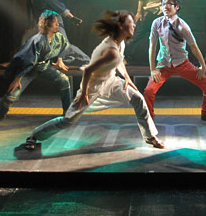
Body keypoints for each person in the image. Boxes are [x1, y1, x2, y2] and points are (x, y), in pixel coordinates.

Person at [23, 10, 164, 150]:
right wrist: (84, 93)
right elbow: (88, 70)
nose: (134, 25)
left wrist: (127, 78)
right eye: (131, 22)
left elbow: (119, 61)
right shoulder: (109, 49)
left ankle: (150, 136)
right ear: (121, 26)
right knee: (68, 120)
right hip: (93, 85)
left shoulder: (120, 43)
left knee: (138, 99)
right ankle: (34, 136)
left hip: (111, 81)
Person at [143, 0, 206, 123]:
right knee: (148, 91)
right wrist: (153, 69)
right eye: (163, 4)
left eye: (169, 4)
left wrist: (203, 66)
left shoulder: (183, 26)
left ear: (177, 7)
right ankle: (149, 119)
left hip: (182, 64)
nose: (165, 6)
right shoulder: (157, 23)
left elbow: (194, 47)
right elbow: (152, 46)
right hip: (163, 65)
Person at [0, 10, 72, 122]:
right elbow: (27, 61)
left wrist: (59, 60)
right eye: (54, 22)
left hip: (45, 67)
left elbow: (65, 46)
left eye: (57, 22)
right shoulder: (36, 41)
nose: (58, 24)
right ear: (47, 24)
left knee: (64, 80)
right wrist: (17, 78)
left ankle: (68, 113)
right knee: (12, 93)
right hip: (29, 70)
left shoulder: (59, 37)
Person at [24, 0, 90, 66]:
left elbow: (59, 7)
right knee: (28, 38)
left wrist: (72, 18)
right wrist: (33, 25)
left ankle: (87, 60)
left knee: (65, 44)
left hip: (54, 22)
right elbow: (36, 13)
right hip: (44, 24)